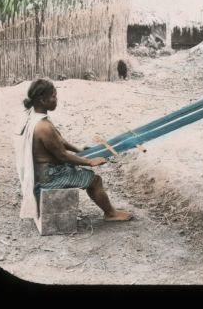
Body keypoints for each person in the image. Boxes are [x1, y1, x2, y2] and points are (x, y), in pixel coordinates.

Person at [15, 78, 132, 222]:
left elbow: (60, 141)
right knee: (95, 180)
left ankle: (110, 212)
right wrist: (89, 162)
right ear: (43, 100)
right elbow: (63, 156)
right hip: (49, 177)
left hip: (42, 171)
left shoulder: (34, 118)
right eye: (53, 96)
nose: (56, 99)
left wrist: (78, 150)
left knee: (84, 173)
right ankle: (111, 213)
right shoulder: (44, 127)